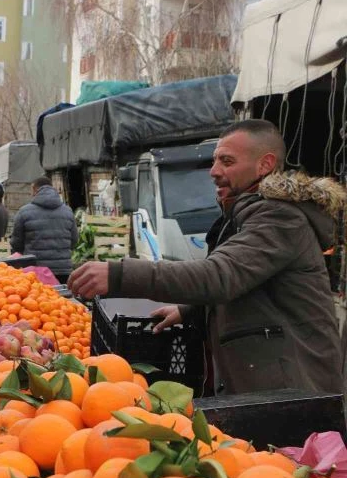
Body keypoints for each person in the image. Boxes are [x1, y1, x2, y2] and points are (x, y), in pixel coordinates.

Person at [68, 119, 345, 396]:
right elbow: (251, 286)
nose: (214, 172)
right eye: (215, 161)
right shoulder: (245, 213)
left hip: (294, 389)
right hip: (270, 384)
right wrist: (189, 311)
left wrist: (118, 274)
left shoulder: (280, 217)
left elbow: (219, 275)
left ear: (265, 165)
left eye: (227, 161)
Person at [11, 177, 78, 284]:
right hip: (63, 270)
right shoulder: (68, 211)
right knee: (63, 299)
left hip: (36, 270)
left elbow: (16, 243)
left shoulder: (24, 212)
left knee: (40, 300)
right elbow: (74, 241)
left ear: (34, 189)